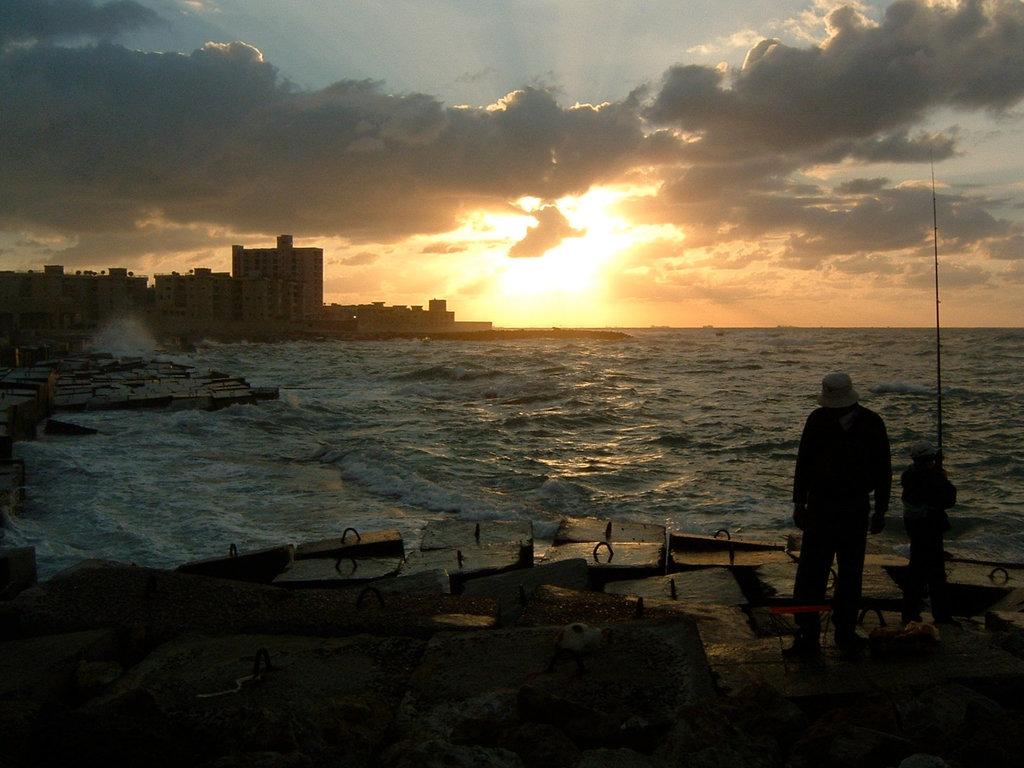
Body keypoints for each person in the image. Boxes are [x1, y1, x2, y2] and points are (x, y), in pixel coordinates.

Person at [786, 372, 892, 657]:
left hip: (854, 507)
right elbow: (803, 463)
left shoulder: (872, 423)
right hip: (821, 506)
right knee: (811, 574)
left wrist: (881, 509)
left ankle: (844, 631)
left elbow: (884, 470)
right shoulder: (817, 420)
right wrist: (799, 503)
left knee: (850, 573)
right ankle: (807, 634)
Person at [900, 441, 958, 626]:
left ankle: (910, 612)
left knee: (916, 570)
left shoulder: (908, 475)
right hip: (929, 529)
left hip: (915, 528)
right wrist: (943, 477)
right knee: (936, 574)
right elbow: (949, 499)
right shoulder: (931, 478)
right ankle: (940, 616)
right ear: (930, 459)